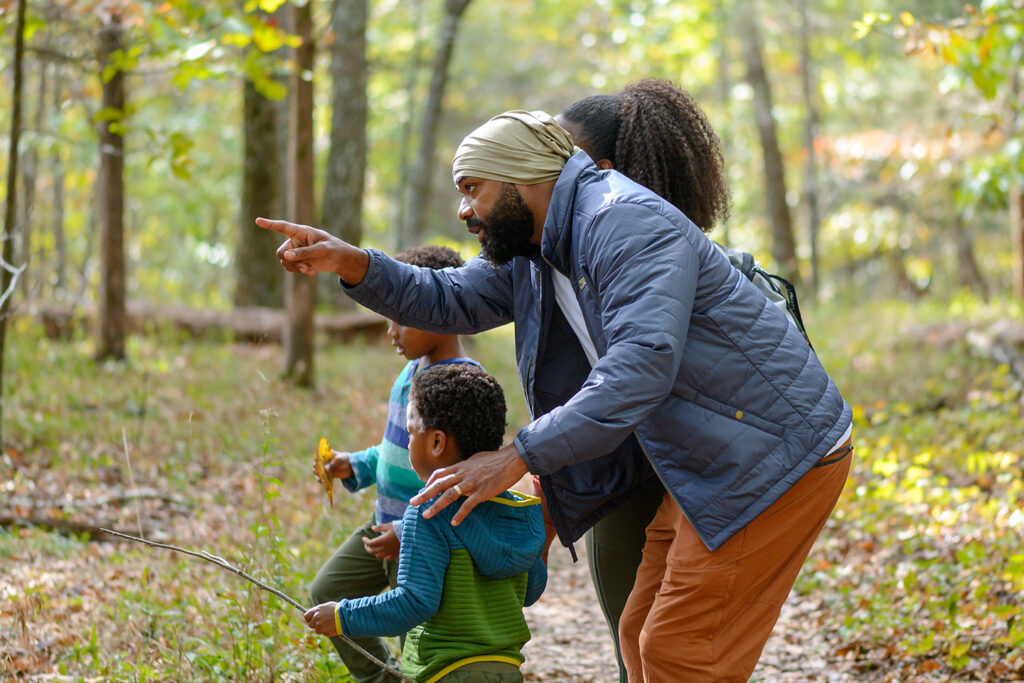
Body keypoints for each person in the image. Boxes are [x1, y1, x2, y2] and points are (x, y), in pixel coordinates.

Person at [261, 107, 853, 682]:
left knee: (682, 655)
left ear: (523, 177)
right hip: (707, 452)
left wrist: (517, 456)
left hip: (770, 451)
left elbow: (640, 366)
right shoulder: (535, 246)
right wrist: (353, 262)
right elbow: (446, 299)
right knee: (641, 634)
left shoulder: (622, 220)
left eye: (473, 189)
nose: (466, 211)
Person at [551, 78, 822, 681]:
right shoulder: (657, 249)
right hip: (688, 458)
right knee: (649, 639)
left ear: (601, 168)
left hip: (649, 465)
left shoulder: (613, 249)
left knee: (657, 645)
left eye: (558, 155)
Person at [304, 363, 548, 683]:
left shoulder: (428, 514)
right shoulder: (519, 510)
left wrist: (342, 617)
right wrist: (547, 529)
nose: (407, 443)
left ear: (436, 443)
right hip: (506, 670)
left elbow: (414, 603)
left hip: (446, 672)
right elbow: (530, 591)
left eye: (409, 433)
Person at [309, 245, 478, 682]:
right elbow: (397, 448)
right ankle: (384, 678)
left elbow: (463, 478)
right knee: (329, 590)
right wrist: (357, 465)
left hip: (425, 539)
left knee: (417, 640)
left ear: (442, 310)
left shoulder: (461, 384)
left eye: (401, 317)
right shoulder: (411, 372)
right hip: (382, 523)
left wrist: (409, 531)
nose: (391, 331)